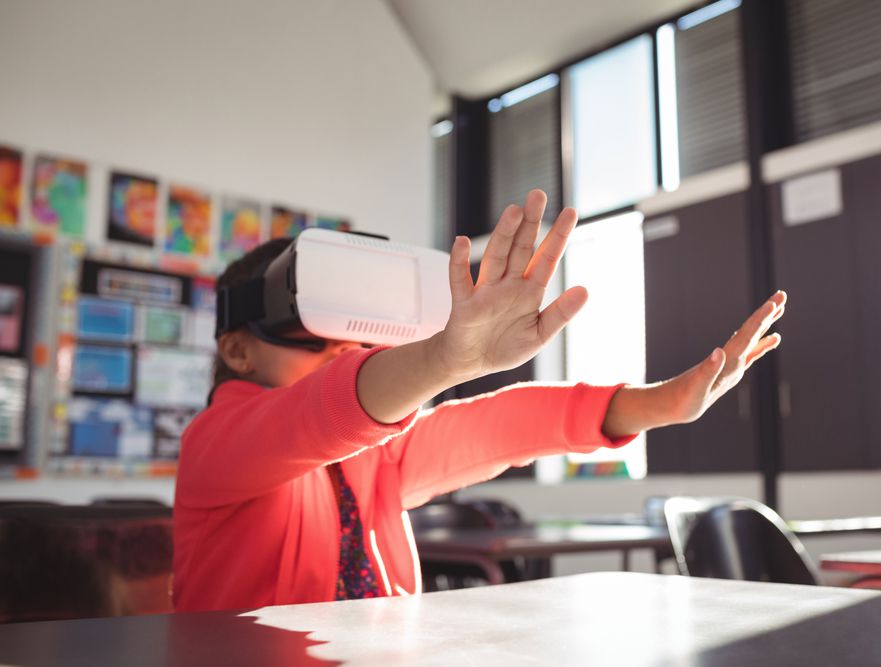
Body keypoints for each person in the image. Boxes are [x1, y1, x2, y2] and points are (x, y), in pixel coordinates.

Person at [172, 190, 785, 612]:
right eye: (308, 332)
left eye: (355, 334)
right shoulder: (217, 446)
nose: (341, 349)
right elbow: (315, 415)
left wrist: (655, 404)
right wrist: (445, 359)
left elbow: (497, 426)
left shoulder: (375, 454)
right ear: (238, 351)